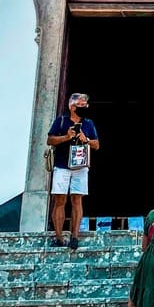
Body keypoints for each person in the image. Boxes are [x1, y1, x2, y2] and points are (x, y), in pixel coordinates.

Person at [45, 92, 100, 250]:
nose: (85, 107)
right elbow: (50, 140)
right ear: (72, 106)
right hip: (62, 165)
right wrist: (66, 137)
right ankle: (59, 237)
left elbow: (97, 145)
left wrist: (87, 140)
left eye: (86, 105)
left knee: (77, 200)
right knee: (59, 200)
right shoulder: (61, 121)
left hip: (81, 166)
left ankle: (75, 236)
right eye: (81, 105)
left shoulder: (88, 124)